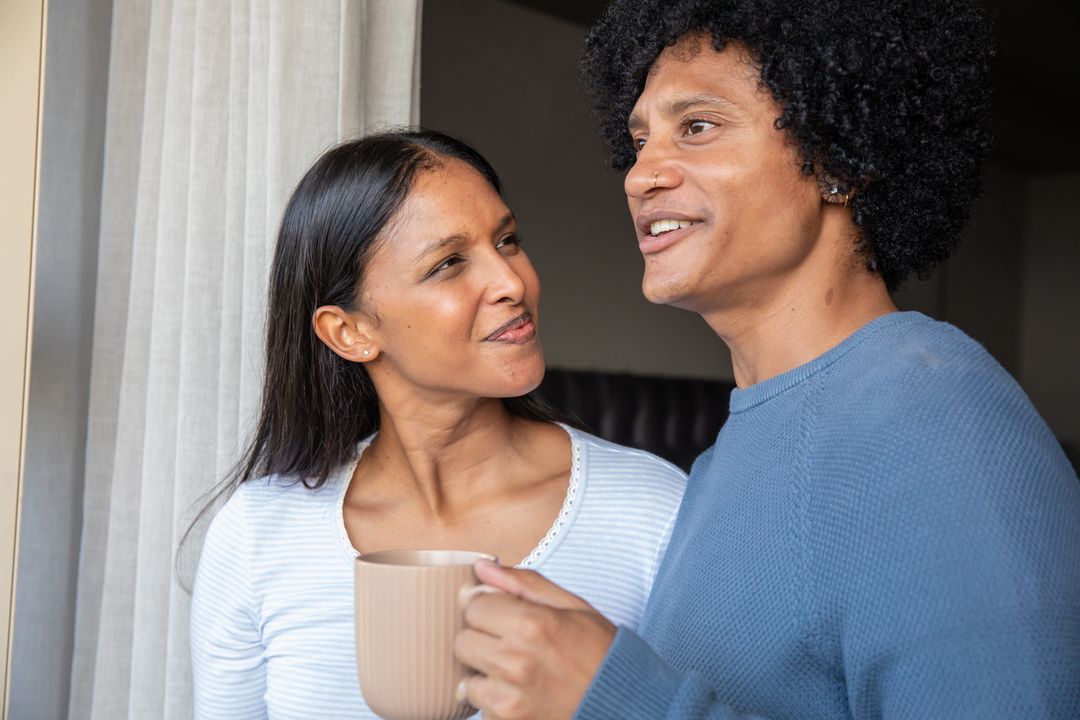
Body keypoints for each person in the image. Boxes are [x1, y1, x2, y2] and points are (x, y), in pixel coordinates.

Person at [453, 1, 1080, 718]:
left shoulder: (937, 422)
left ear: (841, 160)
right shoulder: (726, 459)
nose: (640, 176)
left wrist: (617, 700)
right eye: (639, 142)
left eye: (697, 126)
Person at [187, 130, 687, 719]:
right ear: (350, 332)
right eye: (449, 264)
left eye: (508, 241)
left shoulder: (653, 511)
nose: (511, 283)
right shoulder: (256, 536)